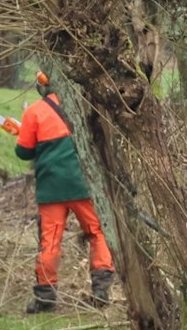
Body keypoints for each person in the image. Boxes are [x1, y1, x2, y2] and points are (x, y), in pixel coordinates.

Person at [14, 72, 114, 313]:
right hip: (83, 184)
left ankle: (45, 297)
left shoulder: (34, 112)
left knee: (50, 242)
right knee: (96, 232)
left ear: (42, 87)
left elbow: (23, 153)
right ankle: (101, 290)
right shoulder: (82, 106)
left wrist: (23, 134)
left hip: (51, 189)